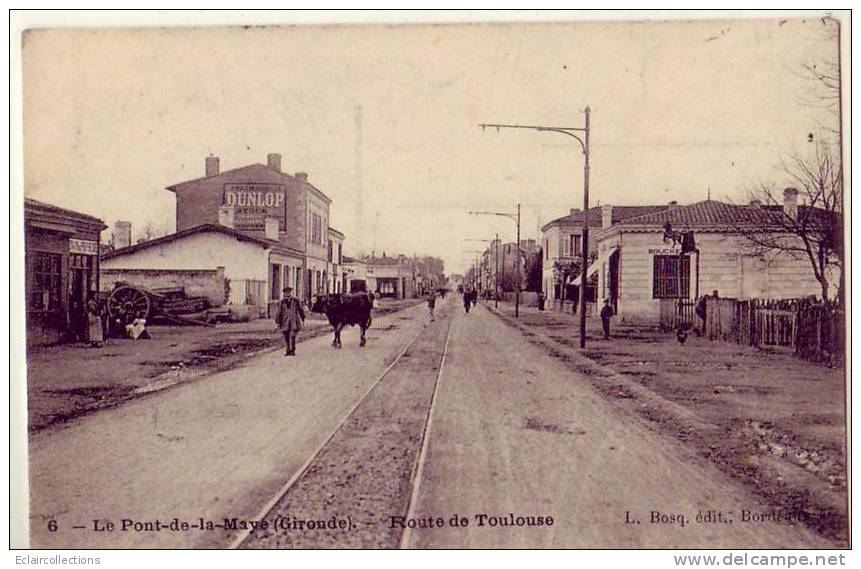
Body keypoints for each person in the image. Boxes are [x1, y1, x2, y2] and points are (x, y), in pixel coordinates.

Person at [275, 285, 305, 356]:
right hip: (285, 322)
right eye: (286, 292)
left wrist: (303, 317)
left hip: (294, 321)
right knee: (286, 336)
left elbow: (300, 309)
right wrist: (278, 321)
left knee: (292, 336)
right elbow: (279, 312)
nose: (287, 294)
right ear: (284, 293)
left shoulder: (295, 300)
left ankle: (292, 350)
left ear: (290, 293)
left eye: (288, 292)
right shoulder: (281, 302)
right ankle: (287, 350)